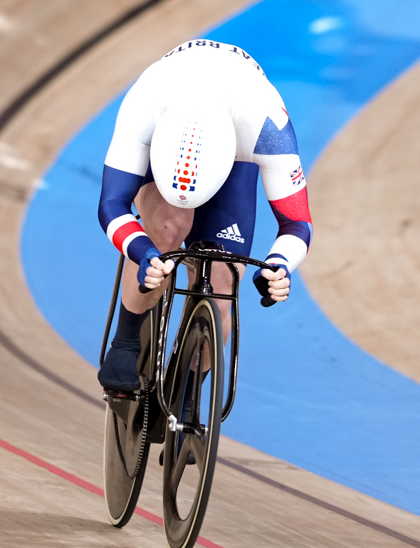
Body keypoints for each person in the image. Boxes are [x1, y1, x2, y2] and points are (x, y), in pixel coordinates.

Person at [96, 38, 313, 395]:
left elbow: (297, 223)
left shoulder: (267, 130)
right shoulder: (144, 106)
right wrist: (142, 250)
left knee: (224, 277)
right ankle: (126, 340)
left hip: (236, 129)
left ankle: (190, 392)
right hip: (170, 118)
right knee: (166, 231)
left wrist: (278, 265)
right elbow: (112, 204)